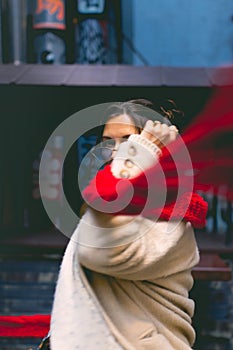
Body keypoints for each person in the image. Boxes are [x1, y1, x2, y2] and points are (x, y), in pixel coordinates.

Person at [49, 99, 207, 350]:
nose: (115, 151)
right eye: (108, 141)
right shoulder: (116, 205)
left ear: (155, 148)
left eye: (127, 139)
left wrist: (140, 153)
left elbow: (97, 251)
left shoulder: (170, 214)